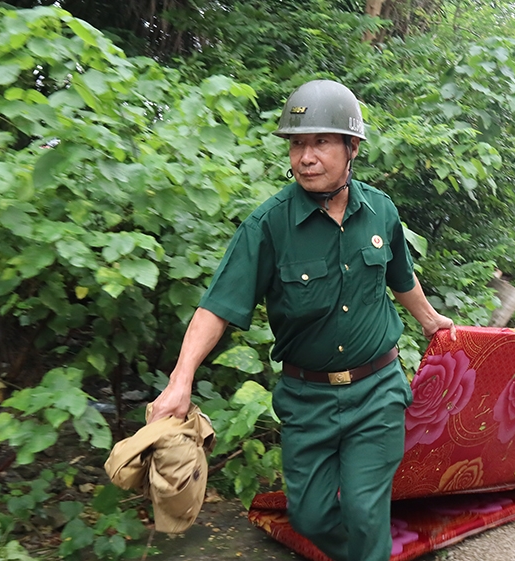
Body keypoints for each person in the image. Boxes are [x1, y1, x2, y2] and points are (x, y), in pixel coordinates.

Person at [147, 80, 456, 561]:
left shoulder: (381, 212)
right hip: (306, 398)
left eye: (320, 142)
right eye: (297, 144)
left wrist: (432, 320)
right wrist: (180, 379)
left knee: (364, 508)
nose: (306, 157)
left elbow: (401, 278)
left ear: (352, 147)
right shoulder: (268, 226)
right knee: (310, 517)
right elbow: (217, 307)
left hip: (376, 391)